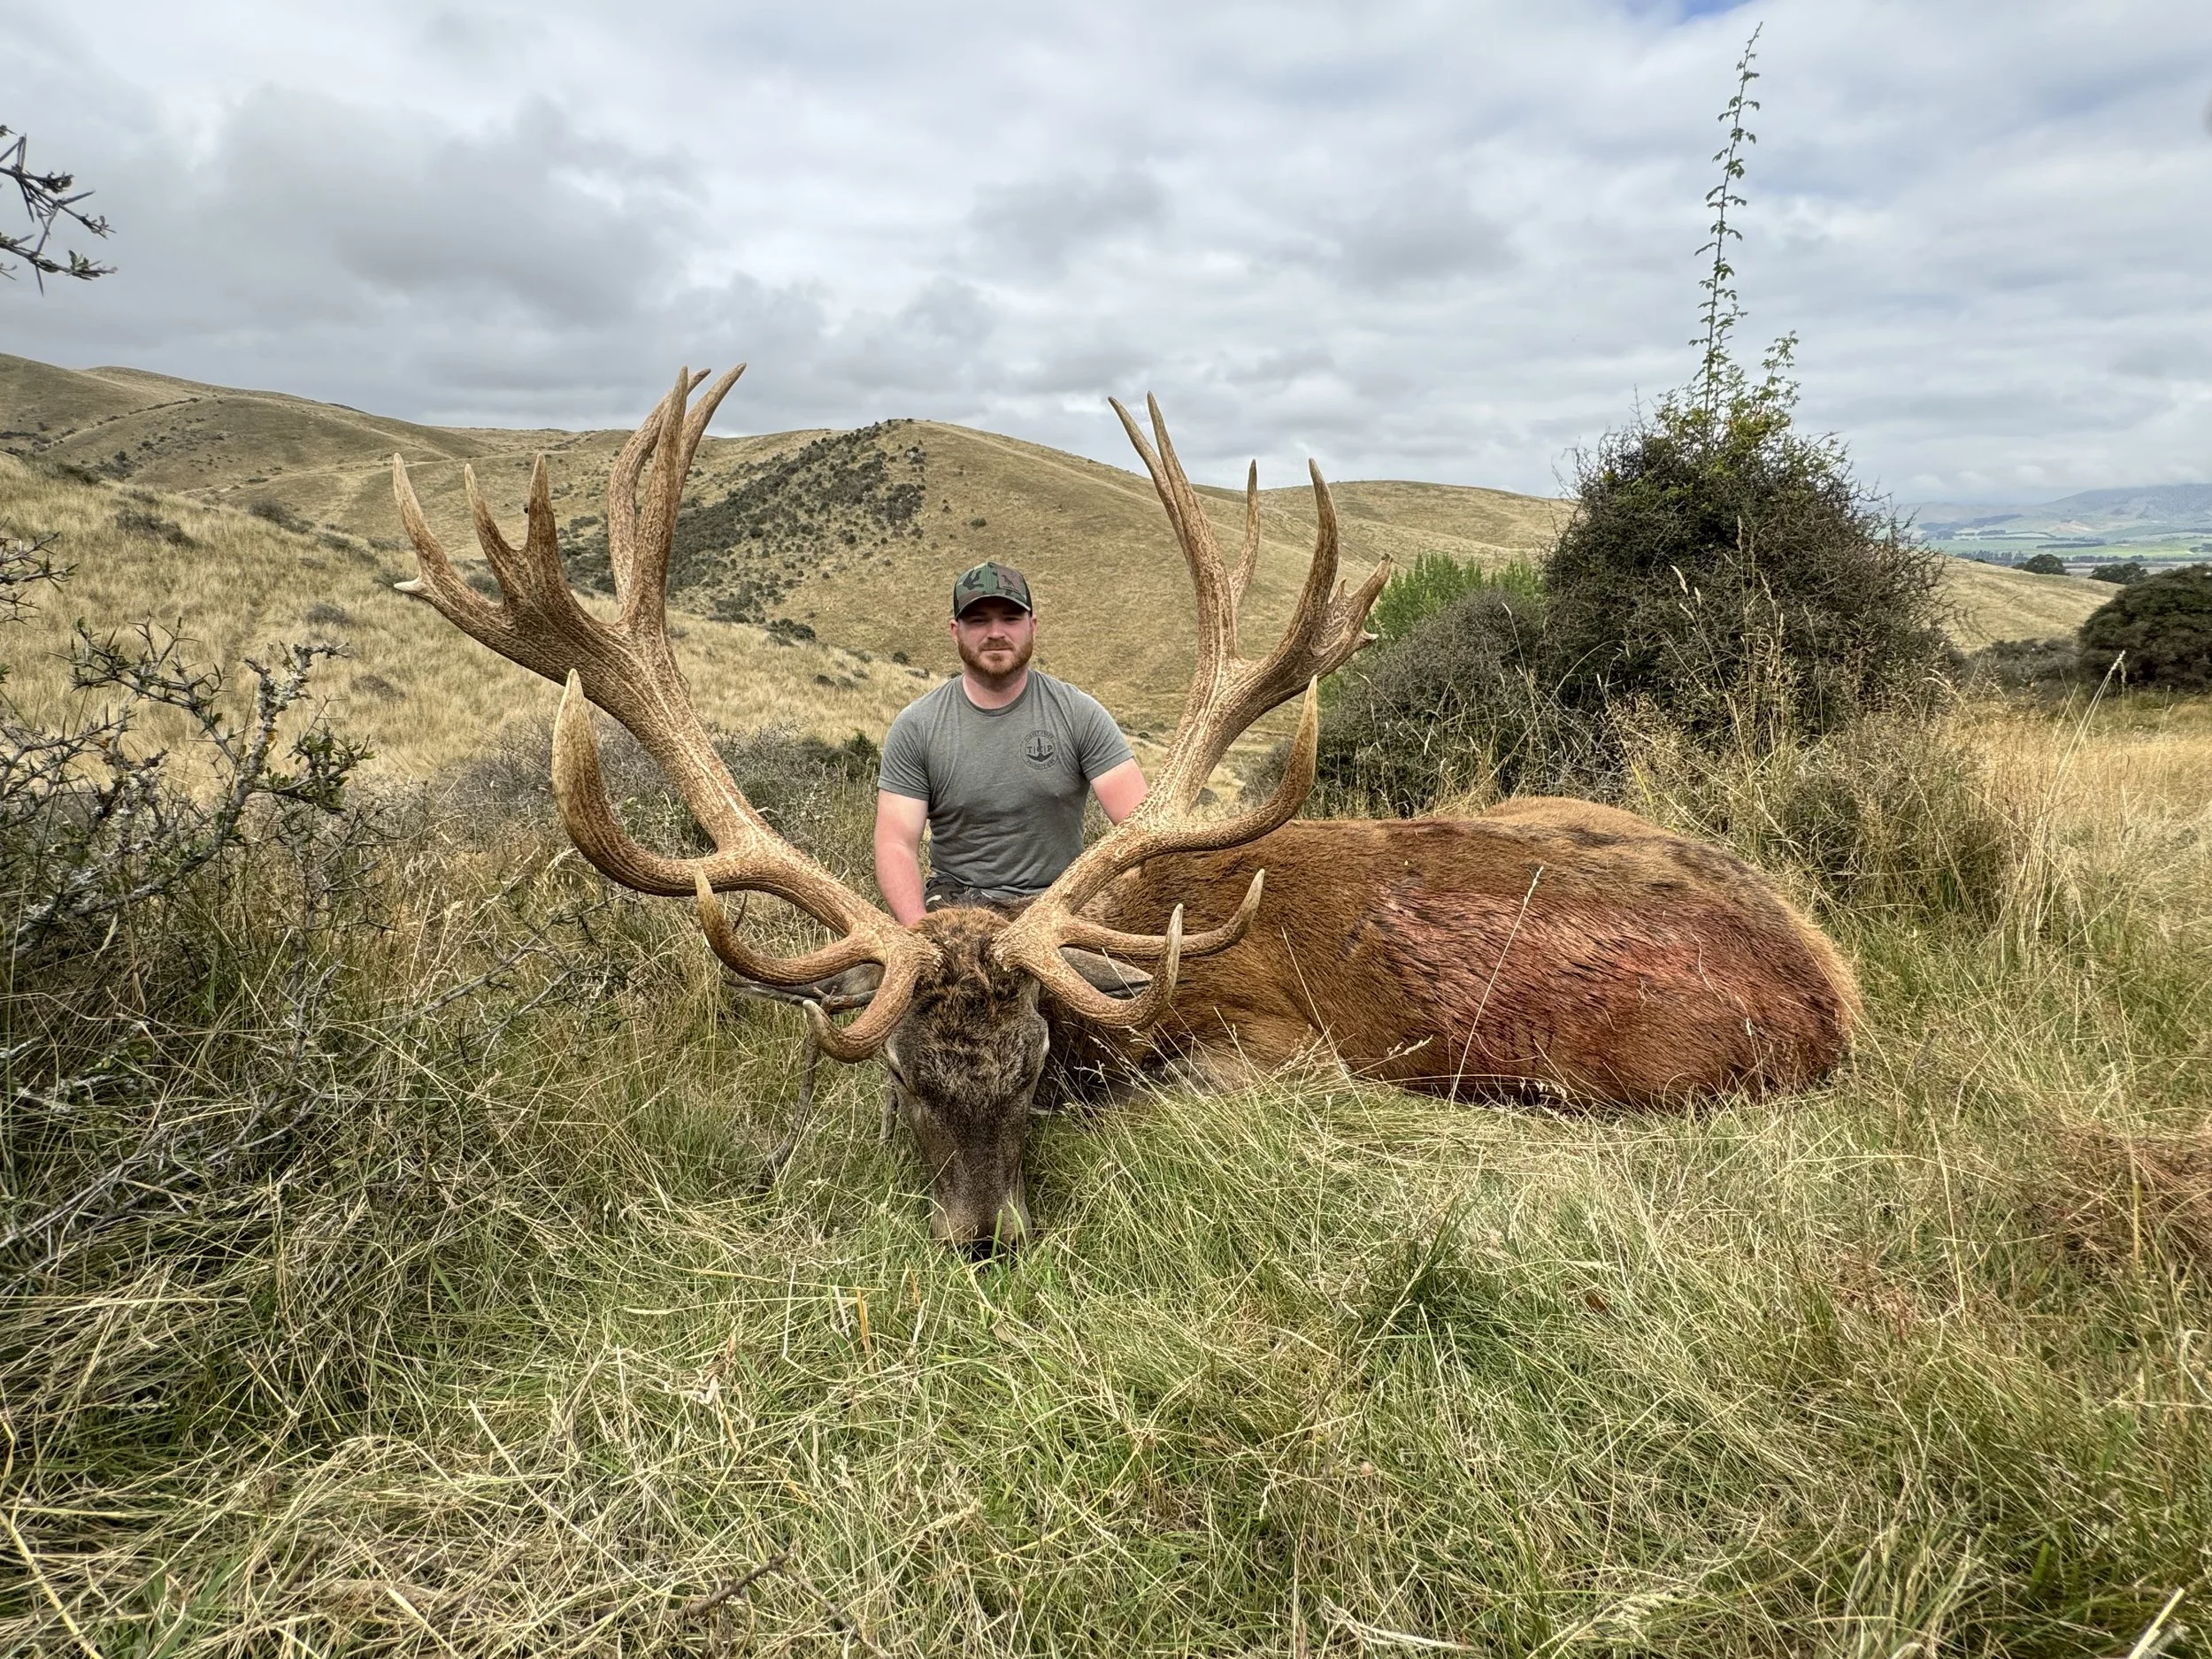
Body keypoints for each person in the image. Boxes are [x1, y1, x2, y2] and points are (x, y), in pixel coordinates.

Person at [874, 561, 1148, 923]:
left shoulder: (1078, 714)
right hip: (960, 908)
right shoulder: (917, 727)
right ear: (955, 631)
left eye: (1010, 618)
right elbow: (896, 843)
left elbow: (1142, 827)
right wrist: (920, 934)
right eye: (978, 620)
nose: (995, 633)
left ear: (1033, 626)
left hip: (1058, 906)